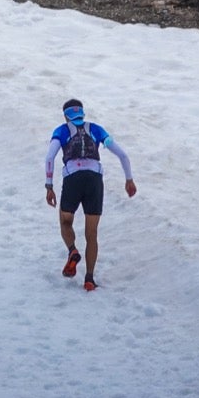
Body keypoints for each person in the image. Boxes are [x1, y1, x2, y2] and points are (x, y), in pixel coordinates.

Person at [44, 98, 136, 291]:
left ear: (65, 116)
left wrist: (49, 185)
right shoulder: (96, 129)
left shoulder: (60, 131)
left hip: (73, 178)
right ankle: (89, 279)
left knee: (65, 221)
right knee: (92, 233)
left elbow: (50, 157)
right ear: (82, 113)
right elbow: (123, 155)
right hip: (95, 179)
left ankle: (72, 251)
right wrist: (129, 180)